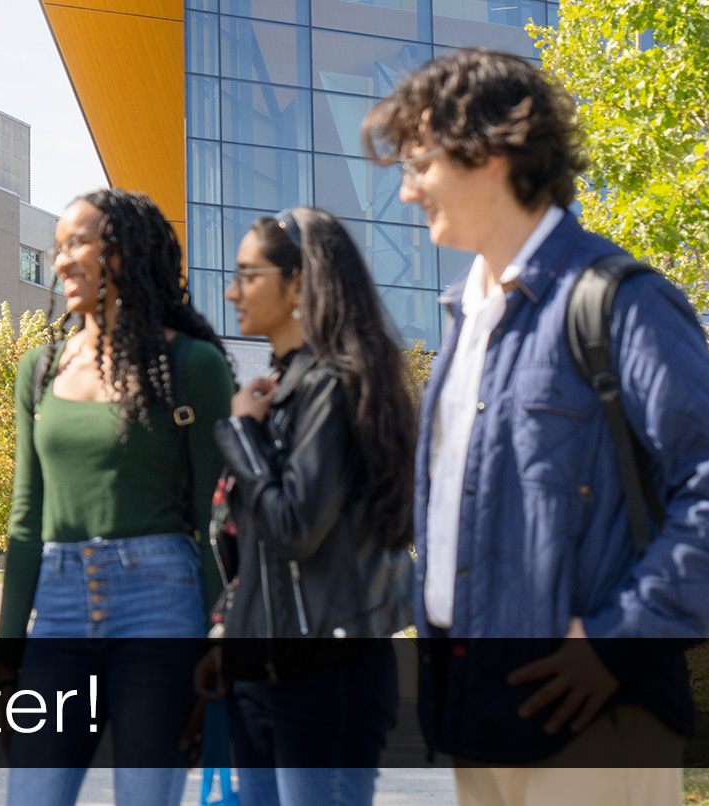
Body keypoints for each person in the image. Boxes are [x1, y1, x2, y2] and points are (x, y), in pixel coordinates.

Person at [361, 49, 709, 802]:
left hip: (593, 725)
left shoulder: (619, 302)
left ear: (490, 153)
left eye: (421, 163)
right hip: (475, 714)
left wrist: (619, 644)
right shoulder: (464, 317)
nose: (409, 190)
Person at [0, 188, 235, 806]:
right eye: (57, 247)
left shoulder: (192, 365)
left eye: (78, 242)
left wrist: (220, 640)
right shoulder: (39, 369)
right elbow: (25, 519)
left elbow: (214, 522)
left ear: (126, 251)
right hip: (59, 606)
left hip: (160, 603)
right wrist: (7, 651)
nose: (61, 262)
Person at [194, 207, 416, 806]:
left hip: (324, 676)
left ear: (298, 284)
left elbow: (295, 527)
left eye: (248, 274)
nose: (232, 289)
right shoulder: (283, 390)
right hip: (265, 670)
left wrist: (241, 436)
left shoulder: (333, 386)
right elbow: (258, 547)